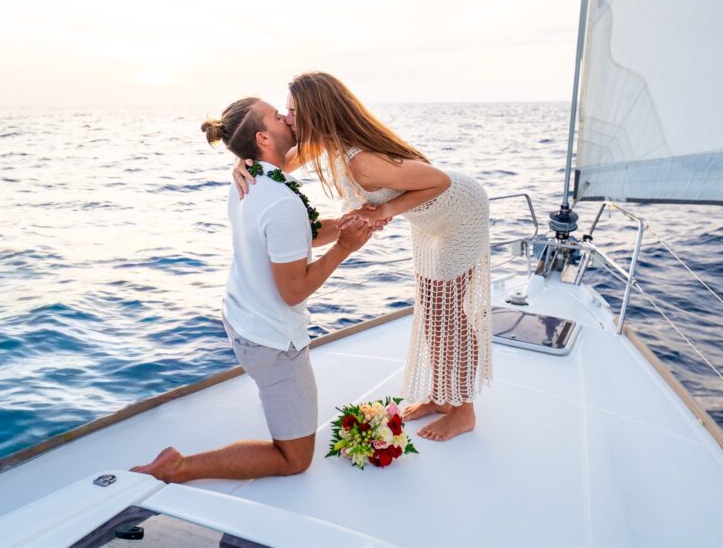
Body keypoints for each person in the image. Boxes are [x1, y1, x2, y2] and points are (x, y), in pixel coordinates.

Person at [233, 73, 491, 442]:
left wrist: (380, 213)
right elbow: (275, 165)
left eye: (292, 111)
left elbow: (439, 182)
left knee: (449, 313)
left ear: (316, 113)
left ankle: (464, 410)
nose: (287, 119)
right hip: (429, 218)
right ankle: (440, 396)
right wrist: (241, 164)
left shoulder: (362, 163)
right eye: (285, 112)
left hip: (459, 212)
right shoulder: (323, 143)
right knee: (433, 309)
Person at [132, 97, 372, 483]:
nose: (287, 117)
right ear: (263, 137)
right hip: (273, 341)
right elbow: (294, 291)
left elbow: (298, 236)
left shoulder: (253, 179)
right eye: (278, 116)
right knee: (294, 458)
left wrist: (344, 225)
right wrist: (345, 248)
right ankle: (179, 467)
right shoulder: (278, 200)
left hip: (243, 318)